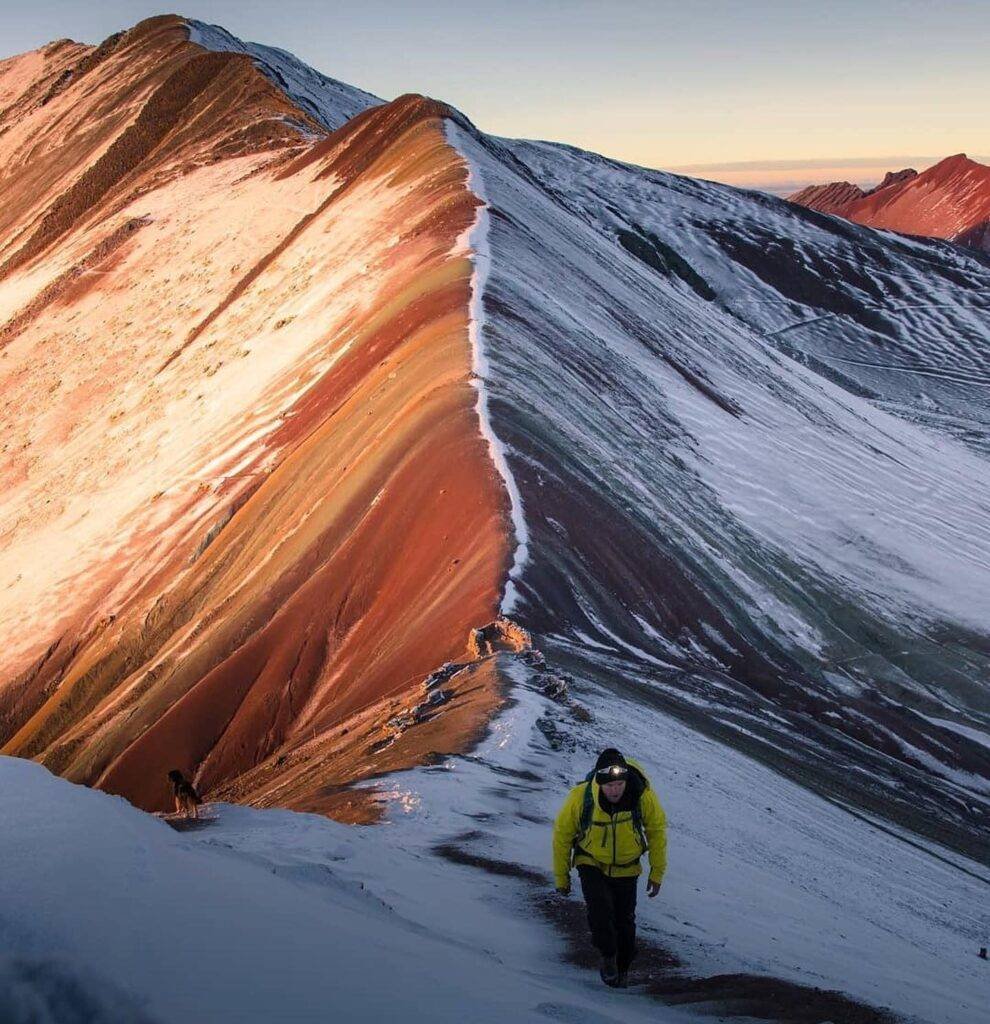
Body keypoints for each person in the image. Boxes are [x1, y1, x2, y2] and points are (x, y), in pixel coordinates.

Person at [552, 748, 667, 987]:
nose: (615, 790)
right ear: (599, 782)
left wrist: (657, 872)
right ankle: (608, 956)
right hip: (591, 862)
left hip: (627, 867)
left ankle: (623, 968)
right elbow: (562, 836)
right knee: (600, 913)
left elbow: (656, 832)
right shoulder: (581, 798)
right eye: (609, 785)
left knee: (625, 924)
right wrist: (561, 878)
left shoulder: (642, 796)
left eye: (619, 784)